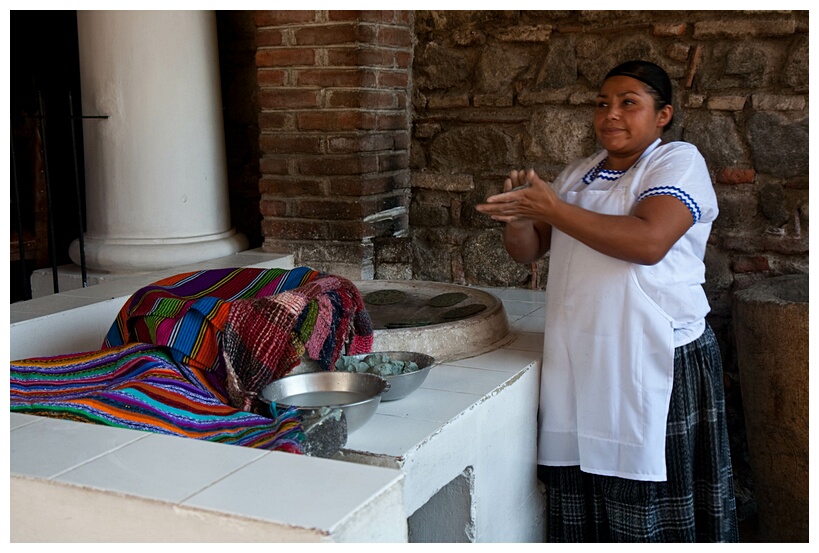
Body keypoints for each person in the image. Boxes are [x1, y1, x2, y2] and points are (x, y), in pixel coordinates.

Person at [476, 60, 738, 542]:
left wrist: (552, 207)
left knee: (648, 493)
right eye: (602, 103)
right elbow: (530, 251)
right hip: (582, 356)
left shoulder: (676, 161)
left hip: (657, 356)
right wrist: (519, 218)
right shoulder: (580, 173)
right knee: (587, 484)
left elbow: (648, 242)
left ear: (662, 115)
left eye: (628, 103)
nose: (610, 114)